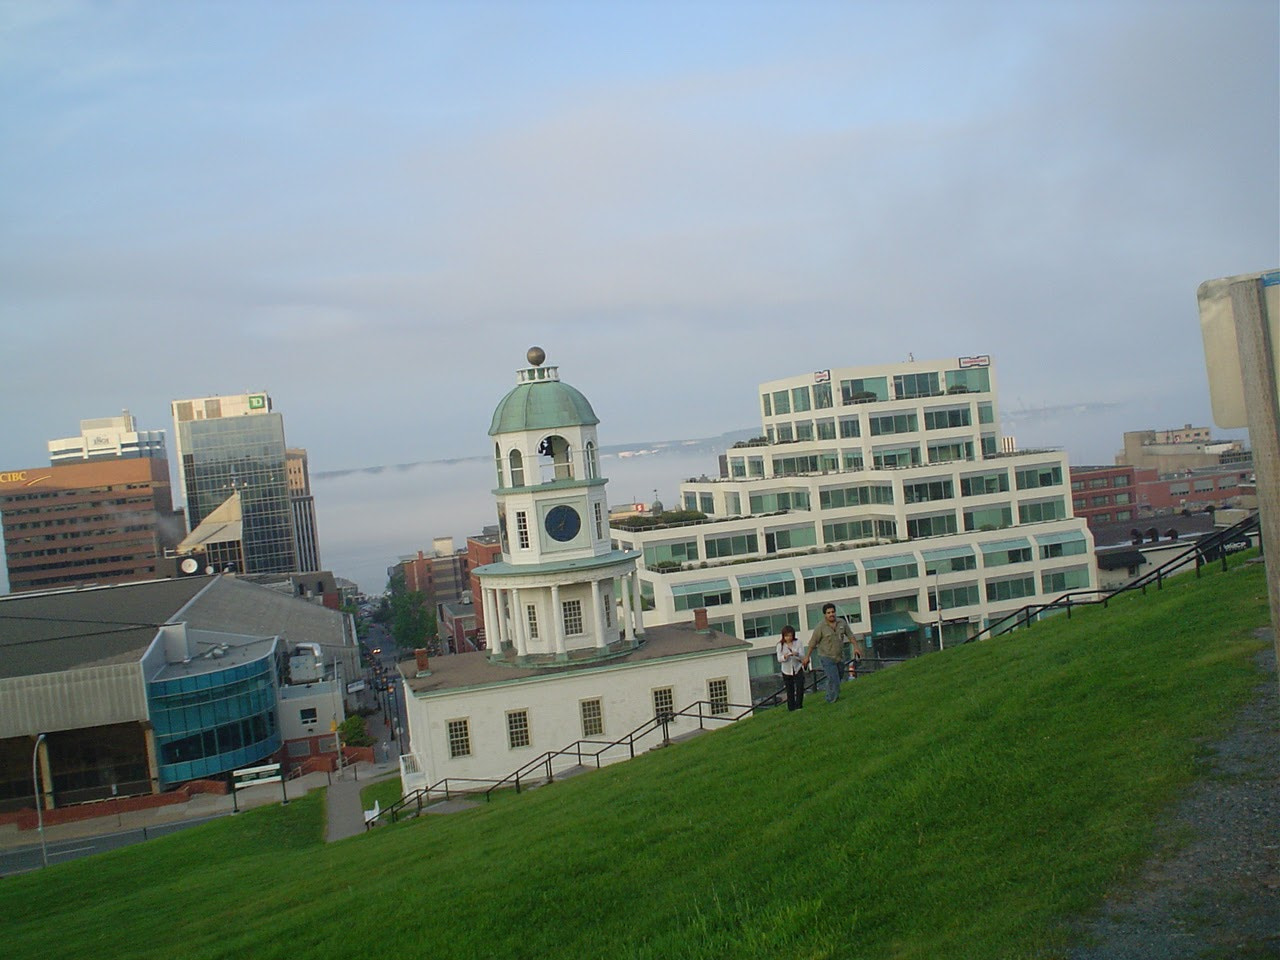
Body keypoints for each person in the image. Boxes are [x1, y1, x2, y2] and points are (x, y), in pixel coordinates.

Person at [803, 602, 864, 703]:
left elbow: (850, 636)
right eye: (828, 613)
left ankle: (831, 694)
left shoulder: (842, 623)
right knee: (833, 678)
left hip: (839, 656)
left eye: (833, 612)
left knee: (838, 677)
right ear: (825, 615)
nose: (831, 614)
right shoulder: (820, 627)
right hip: (826, 656)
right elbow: (813, 643)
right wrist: (807, 657)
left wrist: (856, 648)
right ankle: (831, 700)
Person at [775, 624, 806, 711]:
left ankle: (799, 705)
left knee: (800, 687)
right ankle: (791, 707)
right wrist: (785, 657)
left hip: (797, 668)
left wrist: (796, 654)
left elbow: (802, 656)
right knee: (790, 689)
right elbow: (779, 659)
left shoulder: (798, 642)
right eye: (787, 636)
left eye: (790, 635)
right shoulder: (780, 645)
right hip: (786, 670)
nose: (789, 638)